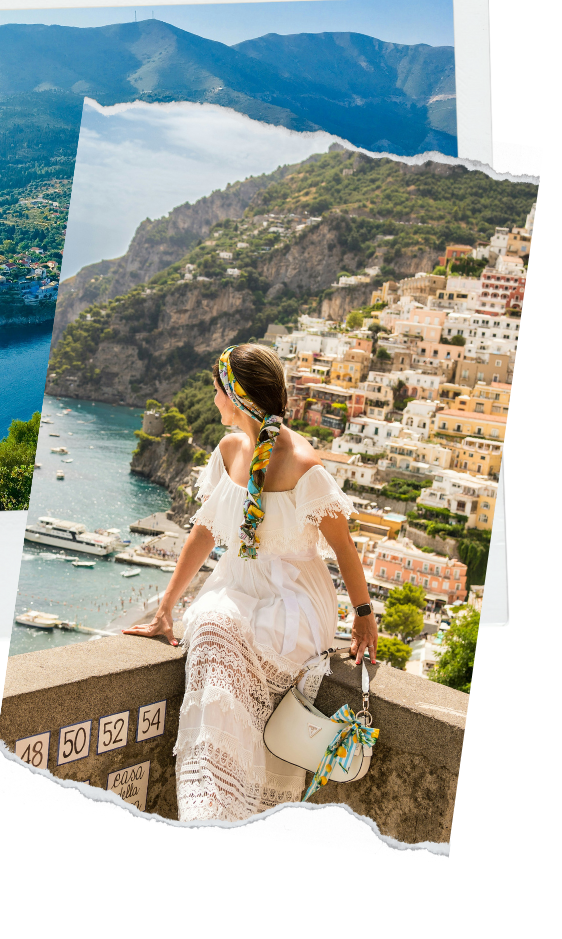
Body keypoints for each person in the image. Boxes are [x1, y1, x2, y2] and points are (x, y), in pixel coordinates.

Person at [123, 344, 378, 822]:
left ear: (237, 397)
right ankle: (217, 800)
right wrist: (166, 609)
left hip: (292, 599)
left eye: (217, 390)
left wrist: (364, 615)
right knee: (212, 630)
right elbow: (204, 531)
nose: (213, 398)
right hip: (236, 586)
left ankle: (216, 804)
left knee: (219, 641)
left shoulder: (304, 465)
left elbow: (344, 548)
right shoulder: (227, 451)